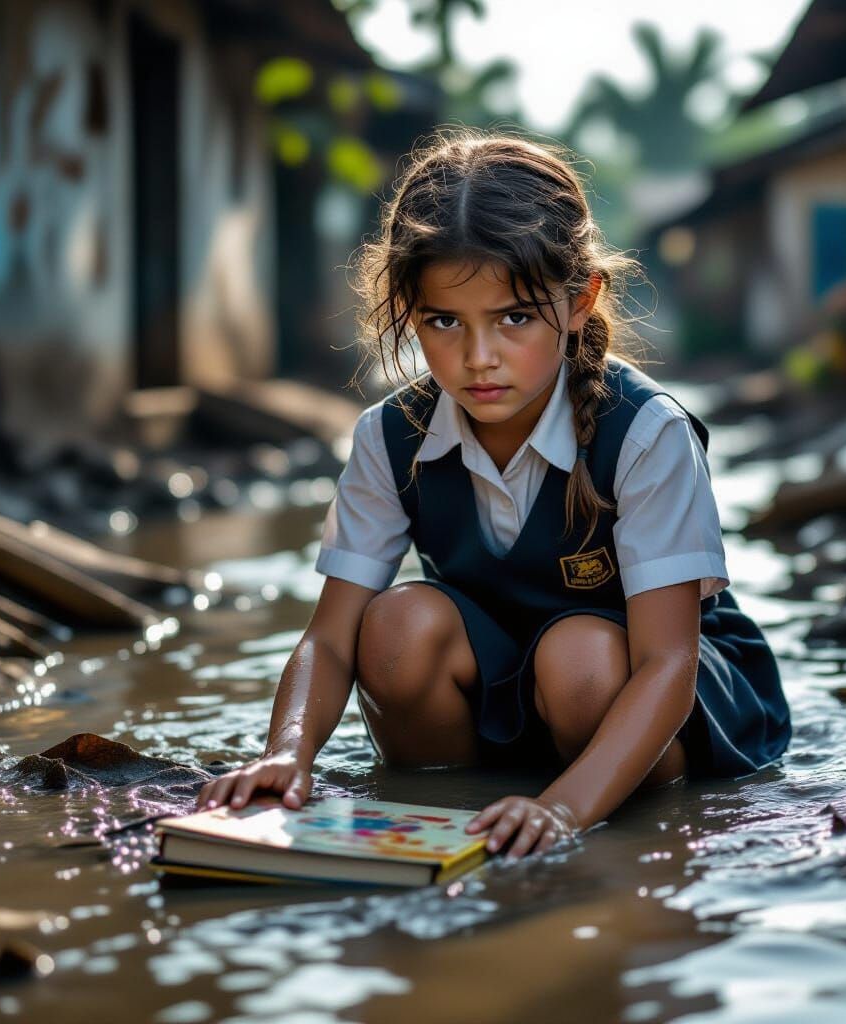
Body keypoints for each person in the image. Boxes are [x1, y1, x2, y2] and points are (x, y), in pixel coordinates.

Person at [196, 128, 791, 862]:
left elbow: (669, 665)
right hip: (503, 689)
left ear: (581, 301)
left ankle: (604, 830)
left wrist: (564, 811)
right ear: (411, 311)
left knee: (578, 660)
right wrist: (286, 755)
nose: (479, 359)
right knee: (393, 627)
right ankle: (461, 820)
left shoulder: (645, 434)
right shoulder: (391, 436)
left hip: (656, 703)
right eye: (445, 321)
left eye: (514, 318)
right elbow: (328, 636)